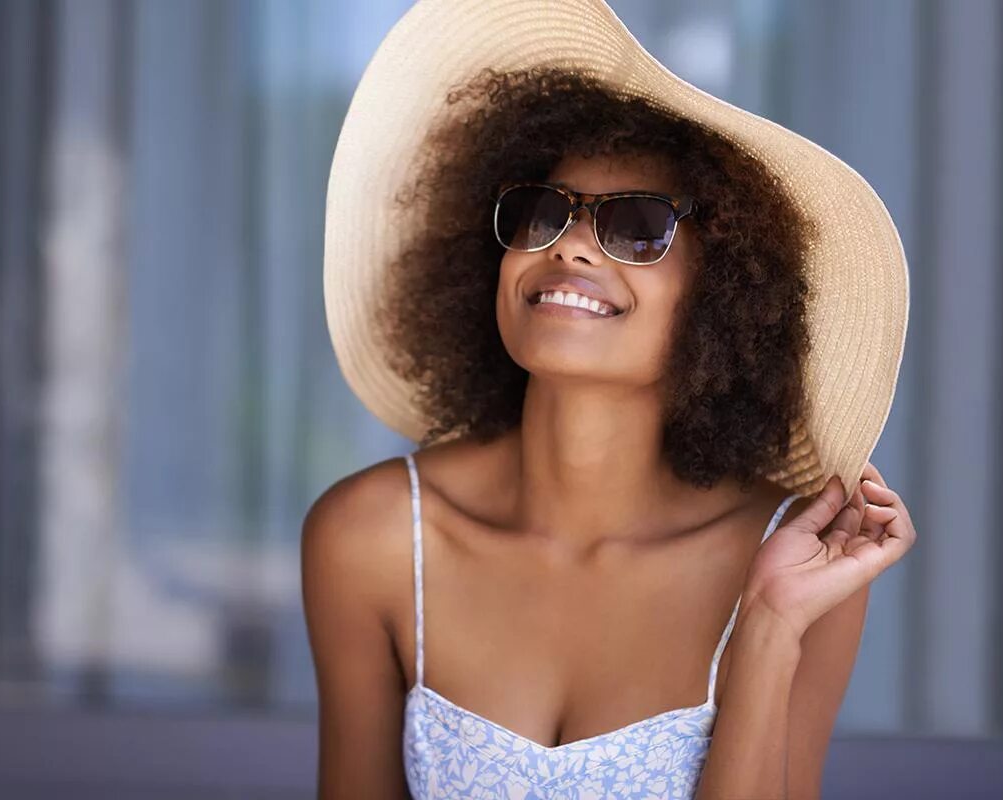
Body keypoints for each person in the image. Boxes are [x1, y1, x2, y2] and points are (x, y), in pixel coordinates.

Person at [302, 2, 916, 798]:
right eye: (541, 211)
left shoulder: (795, 564)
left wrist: (767, 629)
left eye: (636, 226)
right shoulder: (372, 539)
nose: (569, 243)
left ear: (723, 292)